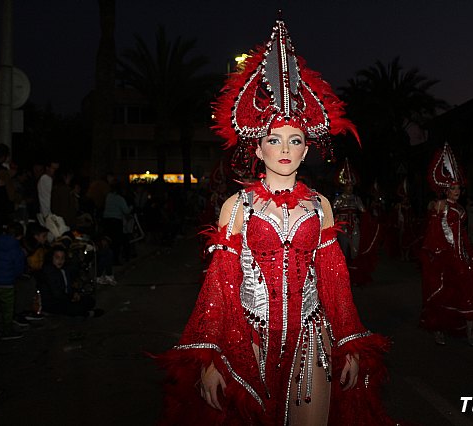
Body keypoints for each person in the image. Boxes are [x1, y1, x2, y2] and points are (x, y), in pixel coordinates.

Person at [156, 19, 397, 426]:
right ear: (259, 148)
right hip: (248, 338)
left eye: (295, 140)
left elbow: (334, 280)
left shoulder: (320, 205)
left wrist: (350, 343)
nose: (284, 149)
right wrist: (212, 355)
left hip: (309, 337)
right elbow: (219, 285)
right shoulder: (237, 205)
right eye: (274, 139)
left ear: (306, 151)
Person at [419, 142, 473, 346]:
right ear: (445, 189)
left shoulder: (461, 209)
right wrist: (439, 254)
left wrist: (468, 251)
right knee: (443, 294)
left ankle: (470, 332)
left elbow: (461, 235)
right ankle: (439, 331)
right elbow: (434, 231)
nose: (457, 191)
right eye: (453, 188)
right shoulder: (440, 205)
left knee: (468, 293)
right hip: (444, 257)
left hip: (461, 256)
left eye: (458, 188)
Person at [38, 246, 102, 318]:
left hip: (65, 299)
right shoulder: (49, 272)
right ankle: (86, 314)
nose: (60, 260)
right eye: (57, 257)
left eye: (62, 258)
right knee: (74, 308)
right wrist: (71, 297)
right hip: (53, 302)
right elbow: (56, 293)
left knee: (90, 301)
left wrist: (74, 293)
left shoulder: (65, 270)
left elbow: (68, 286)